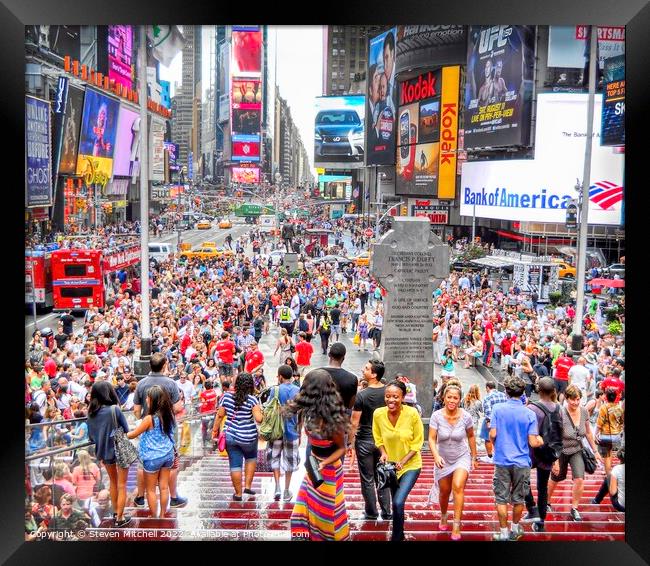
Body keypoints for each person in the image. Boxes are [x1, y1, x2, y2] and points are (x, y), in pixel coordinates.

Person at [288, 369, 350, 541]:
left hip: (329, 470)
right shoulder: (309, 410)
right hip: (314, 467)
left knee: (326, 513)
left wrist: (324, 463)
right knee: (302, 510)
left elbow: (341, 449)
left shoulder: (333, 419)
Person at [490, 375, 544, 541]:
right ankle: (515, 529)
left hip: (502, 460)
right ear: (522, 393)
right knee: (519, 498)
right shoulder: (529, 413)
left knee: (501, 498)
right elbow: (533, 442)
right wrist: (541, 440)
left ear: (506, 391)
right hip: (521, 461)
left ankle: (504, 533)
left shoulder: (498, 409)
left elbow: (493, 434)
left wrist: (496, 445)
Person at [132, 353, 186, 510]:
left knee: (143, 463)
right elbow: (177, 407)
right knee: (171, 464)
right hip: (167, 427)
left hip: (146, 429)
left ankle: (140, 497)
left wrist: (144, 420)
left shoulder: (141, 384)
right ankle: (173, 497)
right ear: (164, 365)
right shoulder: (170, 383)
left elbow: (136, 410)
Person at [372, 379, 423, 541]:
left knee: (398, 502)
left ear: (403, 398)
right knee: (395, 503)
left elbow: (417, 443)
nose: (391, 400)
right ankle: (399, 533)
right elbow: (378, 438)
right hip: (390, 468)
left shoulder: (412, 413)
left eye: (395, 396)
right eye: (388, 396)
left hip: (410, 465)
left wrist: (403, 460)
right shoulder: (378, 414)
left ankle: (396, 537)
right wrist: (383, 452)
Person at [428, 382, 477, 540]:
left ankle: (456, 524)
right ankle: (443, 515)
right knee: (444, 492)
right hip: (442, 458)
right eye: (449, 397)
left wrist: (474, 457)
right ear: (444, 398)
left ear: (459, 399)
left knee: (458, 487)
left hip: (461, 456)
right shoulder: (436, 416)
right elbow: (431, 438)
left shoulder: (466, 416)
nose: (452, 400)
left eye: (455, 398)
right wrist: (435, 455)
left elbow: (470, 436)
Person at [547, 385, 602, 522]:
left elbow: (588, 432)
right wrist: (555, 461)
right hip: (560, 451)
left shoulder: (584, 411)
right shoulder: (559, 413)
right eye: (572, 400)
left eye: (578, 399)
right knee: (556, 478)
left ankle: (574, 508)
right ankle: (546, 501)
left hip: (577, 450)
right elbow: (553, 439)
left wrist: (595, 451)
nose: (575, 403)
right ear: (566, 399)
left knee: (579, 478)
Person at [348, 360, 391, 521]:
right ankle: (387, 511)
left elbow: (354, 422)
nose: (363, 370)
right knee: (383, 476)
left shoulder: (361, 395)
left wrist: (350, 442)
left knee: (367, 478)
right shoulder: (389, 393)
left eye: (366, 368)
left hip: (365, 440)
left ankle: (371, 512)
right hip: (384, 442)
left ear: (374, 374)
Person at [86, 380, 132, 527]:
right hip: (119, 450)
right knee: (122, 484)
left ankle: (115, 512)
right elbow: (126, 429)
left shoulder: (91, 414)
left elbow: (91, 437)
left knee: (113, 482)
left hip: (104, 453)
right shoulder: (114, 409)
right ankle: (120, 517)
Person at [211, 372, 263, 501]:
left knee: (235, 464)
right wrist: (262, 412)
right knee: (251, 459)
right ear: (250, 385)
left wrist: (214, 431)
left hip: (231, 436)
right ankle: (248, 487)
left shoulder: (226, 397)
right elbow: (259, 419)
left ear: (236, 384)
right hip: (249, 437)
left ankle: (238, 494)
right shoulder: (252, 400)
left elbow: (219, 415)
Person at [127, 385, 177, 519]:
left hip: (152, 458)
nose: (146, 400)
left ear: (152, 400)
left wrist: (121, 433)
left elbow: (133, 434)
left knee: (150, 490)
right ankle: (162, 515)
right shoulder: (169, 415)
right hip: (167, 454)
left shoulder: (149, 418)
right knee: (164, 487)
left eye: (148, 398)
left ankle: (154, 516)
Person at [522, 377, 561, 532]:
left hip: (531, 452)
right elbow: (560, 434)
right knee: (543, 487)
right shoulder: (559, 409)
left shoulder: (531, 408)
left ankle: (532, 508)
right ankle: (541, 522)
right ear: (553, 391)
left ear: (538, 390)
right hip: (548, 453)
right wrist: (557, 458)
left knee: (523, 481)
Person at [269, 365, 301, 501]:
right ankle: (287, 490)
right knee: (290, 460)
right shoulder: (298, 390)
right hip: (292, 431)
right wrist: (300, 432)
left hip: (276, 430)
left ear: (280, 376)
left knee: (275, 457)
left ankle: (277, 486)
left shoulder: (275, 390)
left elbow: (270, 410)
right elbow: (301, 412)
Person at [594, 387, 624, 477]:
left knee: (607, 457)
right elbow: (621, 422)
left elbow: (599, 423)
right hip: (616, 436)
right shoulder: (619, 408)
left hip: (605, 436)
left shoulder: (603, 407)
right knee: (615, 455)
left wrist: (595, 435)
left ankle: (609, 477)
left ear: (606, 397)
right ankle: (618, 475)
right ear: (615, 397)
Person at [479, 381, 508, 464]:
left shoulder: (487, 397)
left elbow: (488, 411)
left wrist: (488, 421)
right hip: (503, 420)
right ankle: (499, 455)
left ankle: (490, 456)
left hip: (492, 420)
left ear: (487, 387)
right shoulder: (503, 395)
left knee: (487, 438)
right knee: (500, 438)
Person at [592, 447, 625, 511]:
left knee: (609, 478)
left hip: (621, 506)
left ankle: (597, 500)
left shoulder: (617, 469)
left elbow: (613, 492)